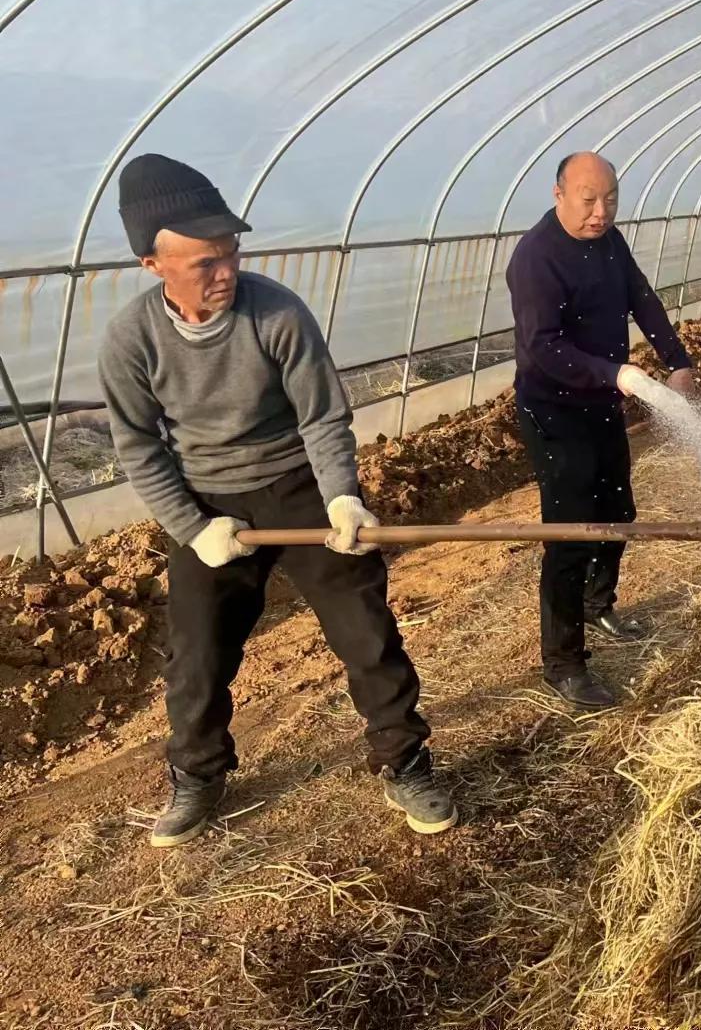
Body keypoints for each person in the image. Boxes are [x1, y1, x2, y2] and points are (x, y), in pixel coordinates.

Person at [98, 155, 456, 848]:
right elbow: (138, 447)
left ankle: (404, 759)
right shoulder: (131, 339)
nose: (226, 272)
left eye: (231, 253)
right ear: (153, 265)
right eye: (205, 262)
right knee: (197, 652)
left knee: (365, 630)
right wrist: (193, 528)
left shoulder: (277, 312)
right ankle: (198, 774)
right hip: (205, 501)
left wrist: (342, 500)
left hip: (297, 485)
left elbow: (321, 417)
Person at [506, 151, 696, 709]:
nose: (600, 212)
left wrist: (677, 360)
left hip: (602, 403)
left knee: (617, 510)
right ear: (558, 194)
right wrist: (616, 373)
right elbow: (543, 346)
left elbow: (640, 297)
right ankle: (563, 663)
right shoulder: (537, 258)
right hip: (554, 412)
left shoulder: (610, 241)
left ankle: (598, 603)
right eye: (588, 200)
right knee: (570, 534)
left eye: (610, 199)